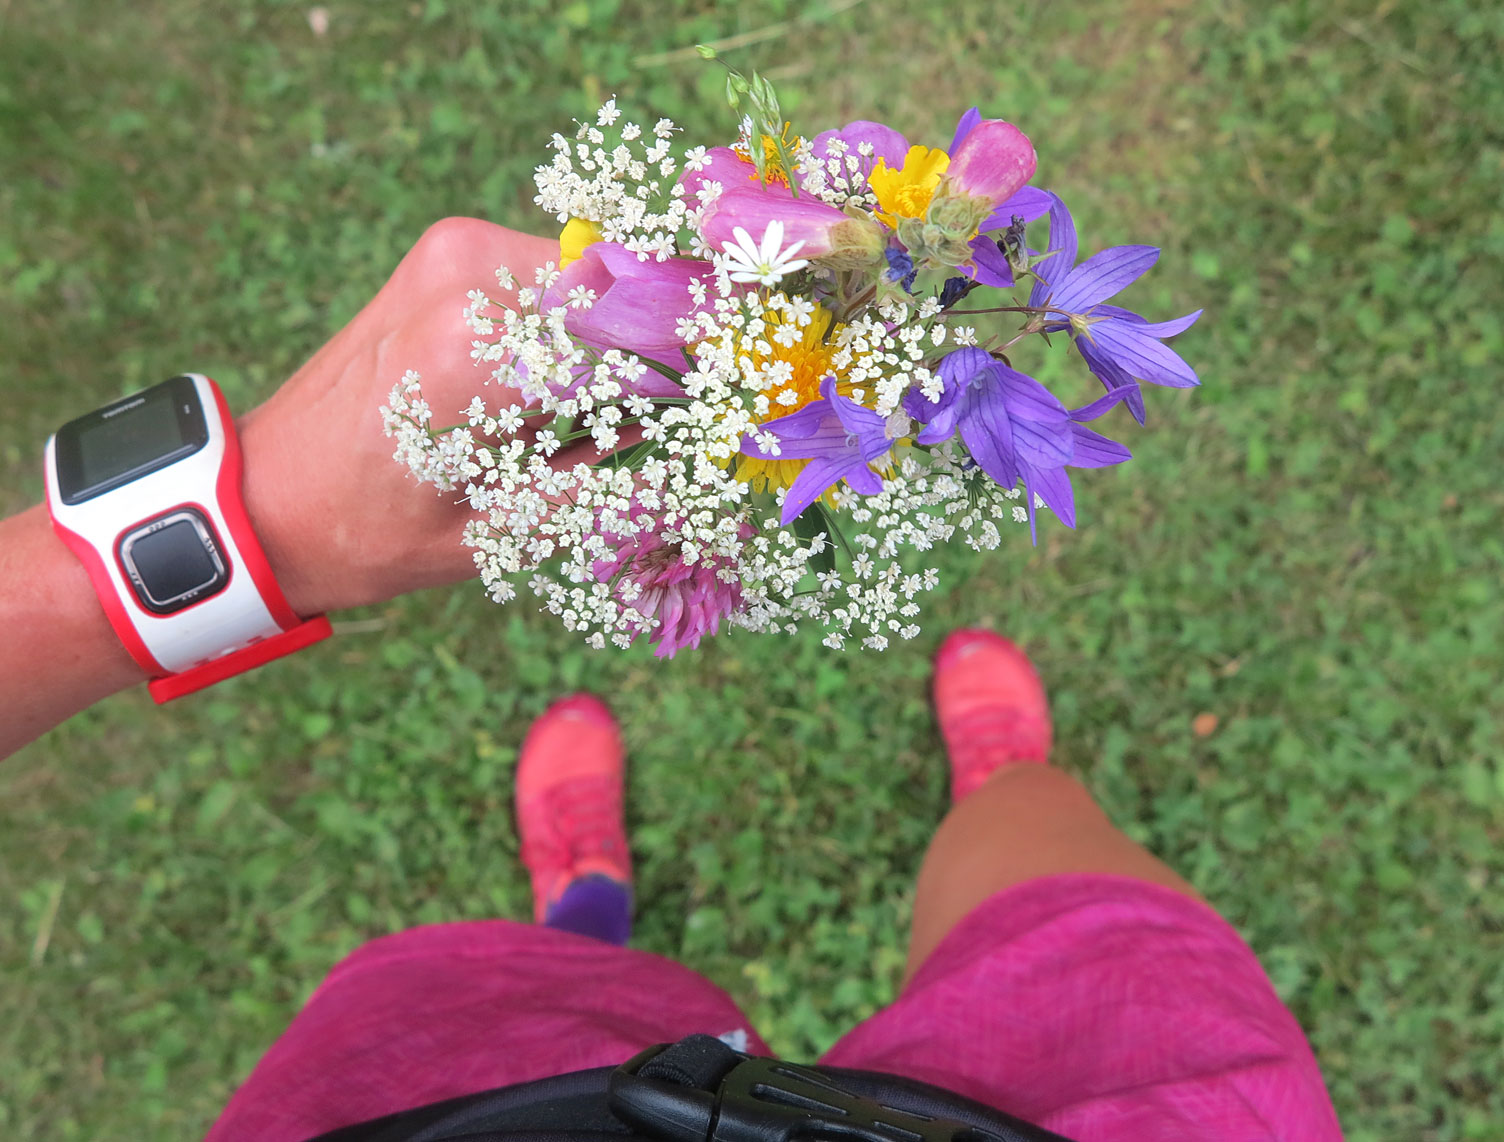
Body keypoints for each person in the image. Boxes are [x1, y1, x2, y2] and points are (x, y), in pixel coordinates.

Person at [0, 220, 1344, 1140]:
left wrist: (259, 530)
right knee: (1080, 928)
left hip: (472, 1116)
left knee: (526, 1013)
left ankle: (585, 919)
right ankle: (1006, 783)